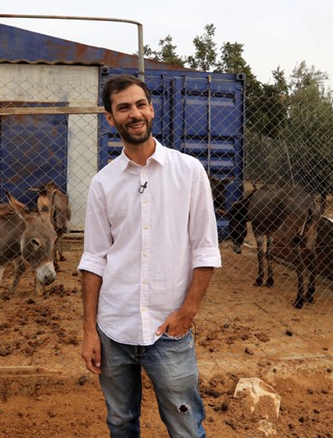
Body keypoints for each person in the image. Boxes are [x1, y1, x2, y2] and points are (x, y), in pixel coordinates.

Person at [78, 75, 222, 438]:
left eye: (140, 104)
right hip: (114, 329)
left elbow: (205, 248)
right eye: (123, 107)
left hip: (168, 329)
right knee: (121, 422)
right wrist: (89, 330)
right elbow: (94, 260)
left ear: (151, 110)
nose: (135, 113)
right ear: (110, 118)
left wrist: (187, 312)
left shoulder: (189, 172)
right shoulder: (103, 183)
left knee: (186, 426)